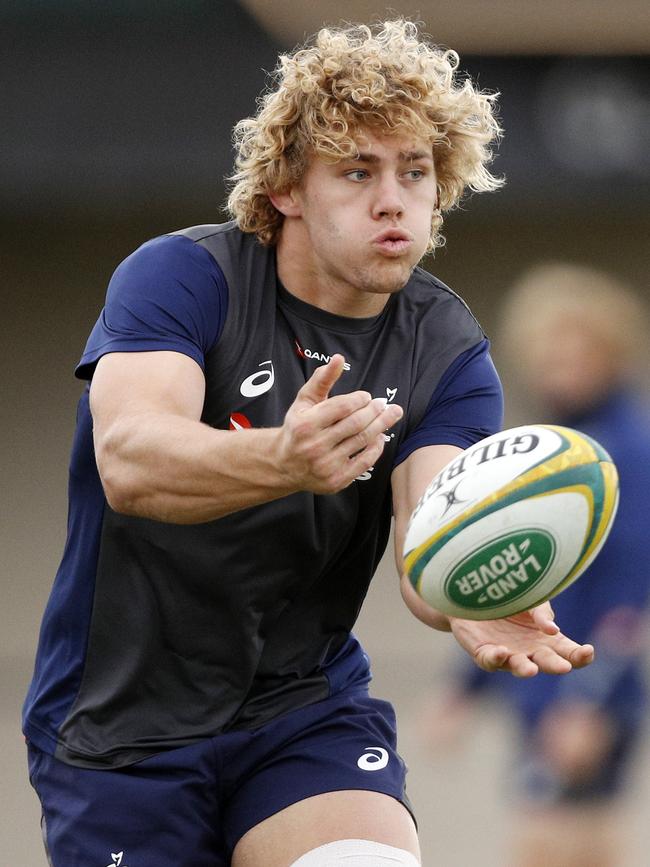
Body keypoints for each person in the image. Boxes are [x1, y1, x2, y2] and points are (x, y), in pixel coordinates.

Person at [22, 22, 594, 867]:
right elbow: (130, 460)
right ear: (288, 187)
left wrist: (475, 594)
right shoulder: (185, 277)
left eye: (416, 171)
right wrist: (281, 461)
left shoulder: (445, 348)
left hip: (302, 707)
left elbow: (426, 540)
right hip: (121, 725)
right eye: (357, 172)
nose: (393, 199)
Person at [420, 262, 650, 867]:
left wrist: (588, 704)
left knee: (553, 845)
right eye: (547, 356)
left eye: (574, 353)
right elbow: (509, 577)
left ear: (610, 350)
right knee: (577, 845)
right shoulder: (551, 446)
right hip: (543, 689)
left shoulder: (624, 450)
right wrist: (462, 688)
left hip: (588, 689)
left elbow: (633, 590)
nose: (558, 370)